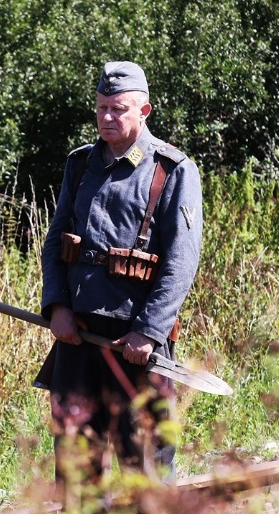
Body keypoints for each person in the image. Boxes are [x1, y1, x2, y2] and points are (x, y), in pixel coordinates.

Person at [37, 61, 203, 485]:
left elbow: (181, 261)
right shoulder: (80, 164)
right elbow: (55, 242)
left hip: (135, 342)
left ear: (144, 111)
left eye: (118, 109)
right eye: (101, 108)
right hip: (78, 335)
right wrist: (57, 307)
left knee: (144, 462)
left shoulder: (172, 169)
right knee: (76, 462)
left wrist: (149, 331)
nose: (107, 117)